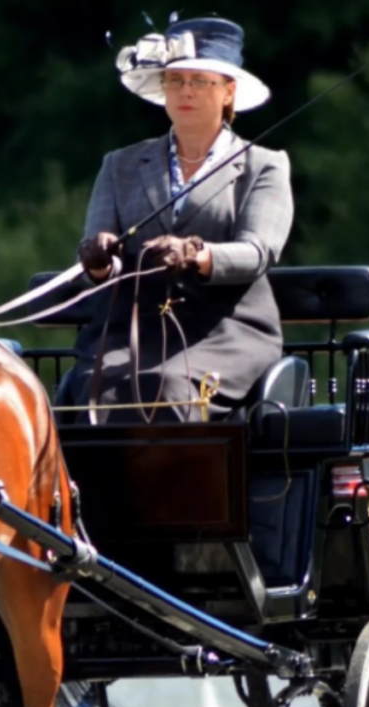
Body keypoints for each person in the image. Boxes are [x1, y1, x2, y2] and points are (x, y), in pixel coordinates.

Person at [71, 16, 293, 423]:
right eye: (175, 81)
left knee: (170, 386)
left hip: (226, 332)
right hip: (132, 330)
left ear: (229, 93)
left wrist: (194, 253)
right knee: (93, 389)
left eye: (200, 81)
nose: (185, 91)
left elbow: (258, 251)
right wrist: (97, 258)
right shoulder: (120, 166)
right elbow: (96, 268)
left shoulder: (263, 166)